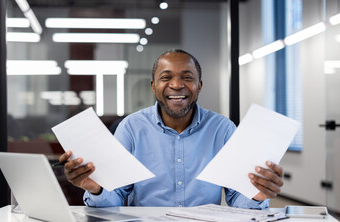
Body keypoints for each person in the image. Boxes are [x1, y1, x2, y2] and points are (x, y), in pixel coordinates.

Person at [59, 49, 283, 208]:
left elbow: (237, 197)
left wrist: (258, 194)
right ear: (153, 87)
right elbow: (115, 197)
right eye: (166, 77)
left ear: (199, 86)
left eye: (187, 77)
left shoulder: (222, 128)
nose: (177, 85)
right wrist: (96, 188)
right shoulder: (131, 128)